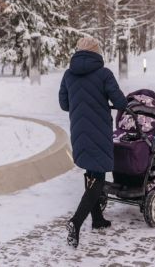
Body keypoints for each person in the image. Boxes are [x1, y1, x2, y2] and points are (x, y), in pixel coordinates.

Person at [59, 37, 128, 248]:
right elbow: (120, 102)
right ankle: (76, 222)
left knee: (92, 171)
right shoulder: (104, 74)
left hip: (79, 130)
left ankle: (97, 219)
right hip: (99, 129)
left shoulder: (68, 74)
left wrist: (82, 105)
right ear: (97, 53)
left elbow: (64, 104)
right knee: (97, 176)